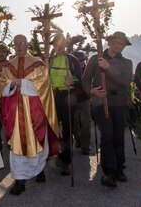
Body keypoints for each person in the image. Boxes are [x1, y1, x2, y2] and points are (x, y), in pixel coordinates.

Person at [0, 34, 60, 195]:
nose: (19, 46)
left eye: (21, 43)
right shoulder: (8, 66)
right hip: (15, 112)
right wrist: (10, 84)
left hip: (34, 111)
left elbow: (43, 83)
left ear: (27, 44)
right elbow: (2, 83)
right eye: (16, 43)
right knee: (17, 144)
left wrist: (23, 83)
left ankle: (39, 169)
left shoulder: (38, 64)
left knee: (38, 140)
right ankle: (20, 180)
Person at [82, 31, 133, 187]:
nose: (119, 45)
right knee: (107, 136)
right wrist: (91, 91)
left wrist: (108, 67)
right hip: (100, 103)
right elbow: (85, 80)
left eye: (122, 43)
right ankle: (109, 172)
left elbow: (125, 81)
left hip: (120, 103)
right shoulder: (94, 59)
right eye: (116, 42)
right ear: (109, 42)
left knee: (118, 136)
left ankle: (119, 168)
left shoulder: (127, 63)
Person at [49, 33, 83, 175]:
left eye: (59, 44)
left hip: (67, 96)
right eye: (55, 44)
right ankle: (56, 154)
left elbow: (80, 80)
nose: (57, 47)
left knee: (67, 130)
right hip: (52, 96)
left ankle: (66, 162)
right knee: (53, 128)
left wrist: (72, 82)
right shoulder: (50, 59)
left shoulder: (73, 60)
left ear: (65, 45)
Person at [72, 50, 91, 155]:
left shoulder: (88, 70)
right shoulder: (71, 69)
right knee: (74, 124)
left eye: (82, 60)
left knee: (86, 124)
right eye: (78, 60)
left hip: (85, 100)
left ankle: (85, 147)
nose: (80, 62)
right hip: (73, 100)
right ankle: (78, 139)